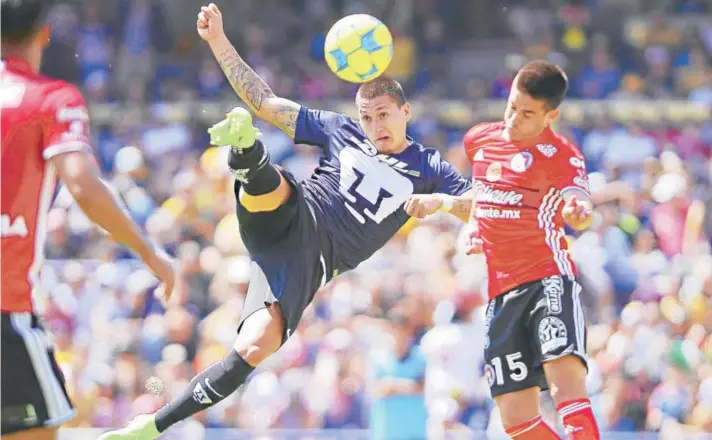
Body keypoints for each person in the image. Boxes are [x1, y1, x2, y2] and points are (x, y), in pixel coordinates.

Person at [98, 3, 472, 439]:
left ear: (405, 112)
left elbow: (475, 202)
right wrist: (218, 39)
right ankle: (246, 150)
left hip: (306, 266)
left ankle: (149, 427)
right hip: (296, 214)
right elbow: (264, 100)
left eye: (384, 115)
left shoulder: (428, 167)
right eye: (366, 117)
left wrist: (441, 204)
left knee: (254, 348)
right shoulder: (340, 130)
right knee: (274, 187)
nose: (374, 125)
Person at [0, 1, 176, 439]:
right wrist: (150, 253)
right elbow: (82, 185)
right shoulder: (51, 99)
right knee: (41, 430)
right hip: (6, 309)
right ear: (44, 34)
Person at [462, 60, 600, 440]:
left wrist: (579, 212)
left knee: (566, 392)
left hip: (547, 281)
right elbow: (481, 194)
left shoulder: (560, 153)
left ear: (550, 115)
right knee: (516, 419)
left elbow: (579, 204)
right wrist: (474, 225)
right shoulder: (479, 140)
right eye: (511, 106)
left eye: (526, 114)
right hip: (500, 295)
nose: (513, 118)